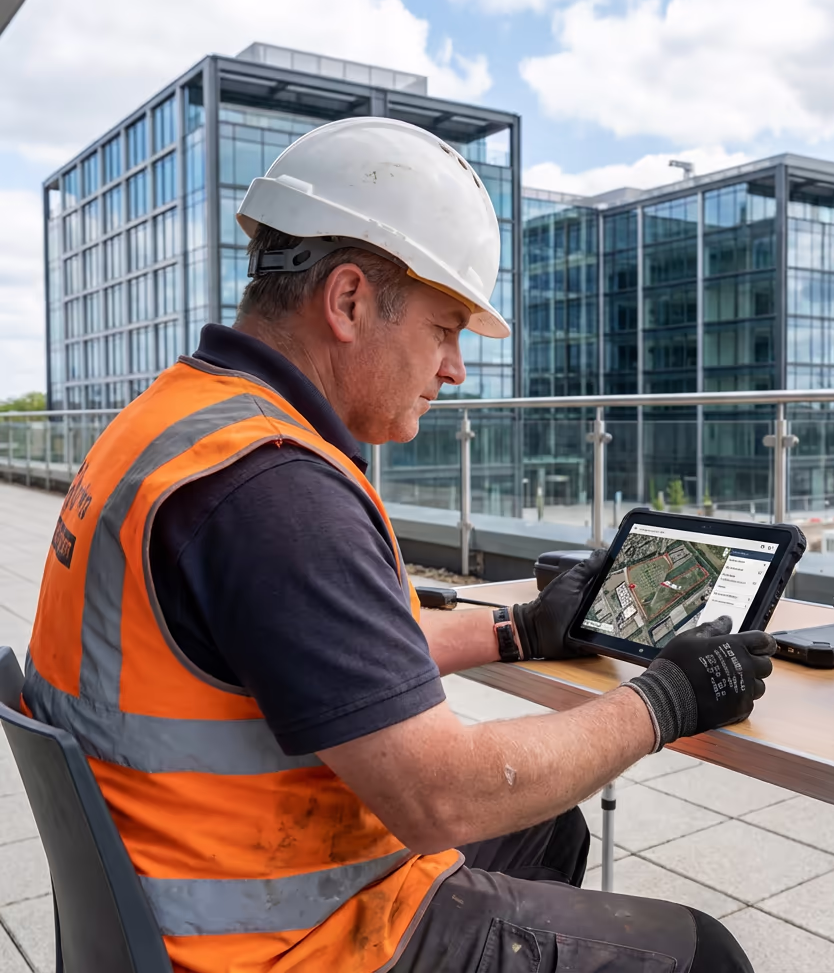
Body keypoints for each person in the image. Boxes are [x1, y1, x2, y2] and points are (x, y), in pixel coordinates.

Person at [24, 117, 776, 973]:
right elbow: (439, 794)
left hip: (184, 883)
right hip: (284, 941)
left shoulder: (179, 421)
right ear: (347, 301)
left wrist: (516, 633)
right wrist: (667, 700)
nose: (456, 369)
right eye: (444, 329)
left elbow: (315, 652)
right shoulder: (275, 490)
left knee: (540, 828)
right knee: (701, 956)